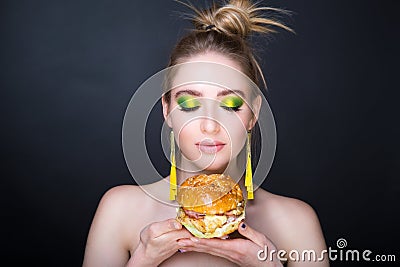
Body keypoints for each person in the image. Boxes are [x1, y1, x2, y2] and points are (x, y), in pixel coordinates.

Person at [83, 0, 329, 266]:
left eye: (231, 104)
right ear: (167, 111)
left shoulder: (296, 222)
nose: (210, 125)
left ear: (253, 114)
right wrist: (143, 260)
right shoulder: (120, 210)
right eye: (189, 104)